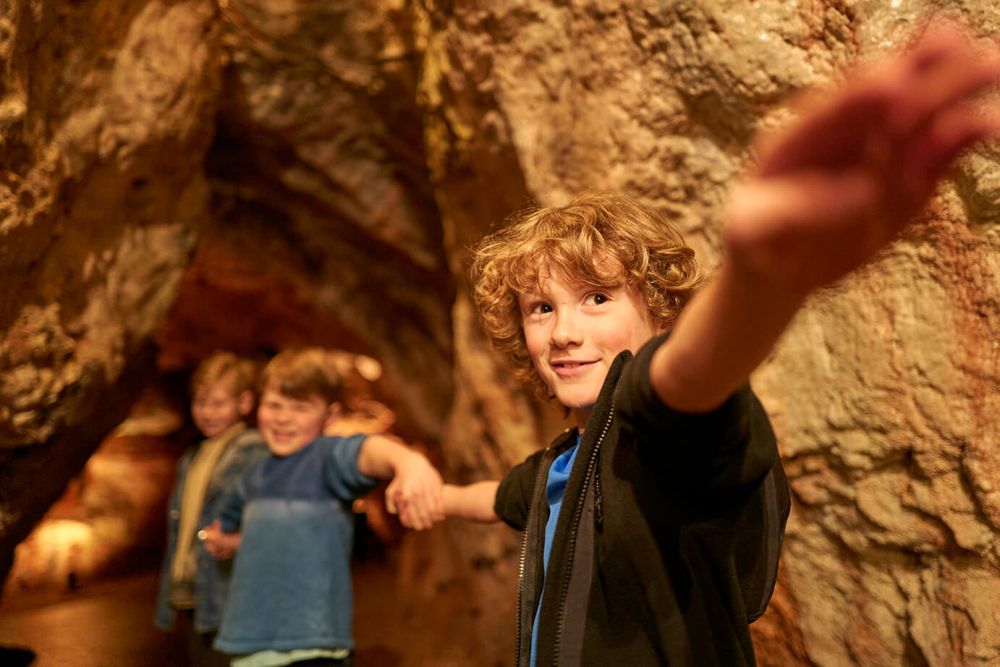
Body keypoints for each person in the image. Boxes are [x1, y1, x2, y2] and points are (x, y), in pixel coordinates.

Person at [432, 23, 1000, 666]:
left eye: (597, 298)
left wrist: (761, 280)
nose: (563, 332)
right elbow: (505, 498)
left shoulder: (657, 439)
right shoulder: (562, 463)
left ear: (660, 314)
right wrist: (434, 497)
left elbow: (684, 385)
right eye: (541, 308)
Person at [200, 347, 443, 667]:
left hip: (312, 644)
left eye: (300, 408)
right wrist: (228, 541)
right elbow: (244, 530)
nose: (283, 418)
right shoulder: (254, 476)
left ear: (329, 417)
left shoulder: (325, 460)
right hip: (250, 640)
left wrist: (408, 462)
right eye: (274, 405)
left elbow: (367, 450)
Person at [155, 351, 270, 667]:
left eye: (218, 404)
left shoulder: (252, 451)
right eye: (201, 402)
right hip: (194, 587)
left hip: (230, 590)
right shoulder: (191, 457)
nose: (207, 413)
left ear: (244, 403)